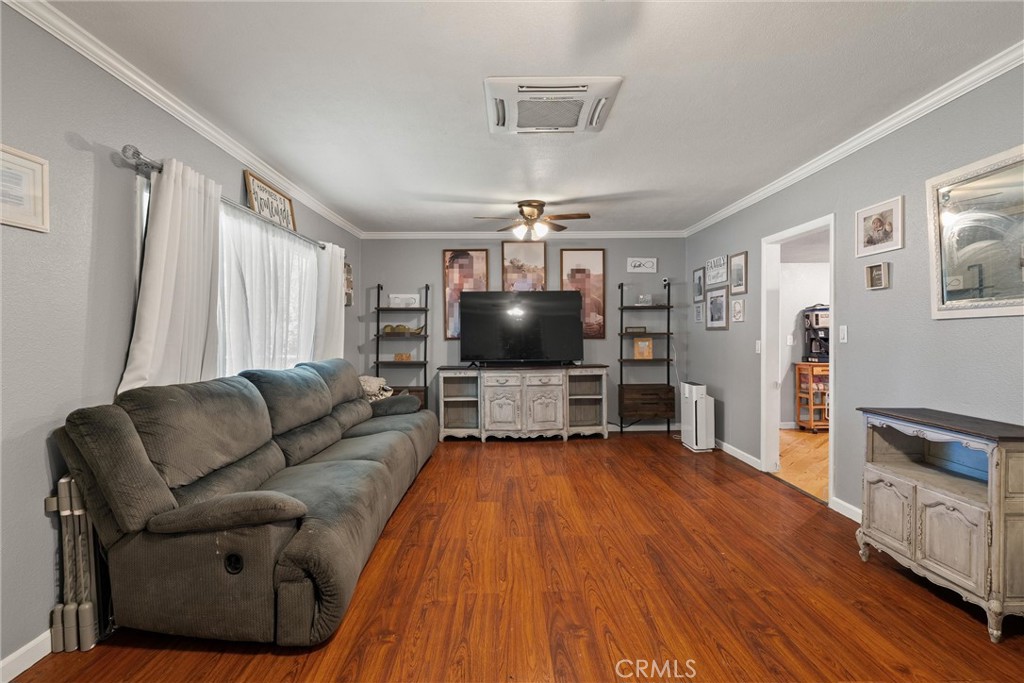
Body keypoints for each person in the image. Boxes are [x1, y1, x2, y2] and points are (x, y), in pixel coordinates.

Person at [445, 250, 481, 338]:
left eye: (470, 268)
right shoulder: (447, 296)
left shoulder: (476, 296)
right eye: (462, 268)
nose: (469, 274)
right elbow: (452, 333)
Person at [566, 266, 604, 338]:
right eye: (574, 281)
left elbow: (604, 324)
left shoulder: (597, 302)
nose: (578, 285)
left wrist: (598, 328)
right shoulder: (564, 302)